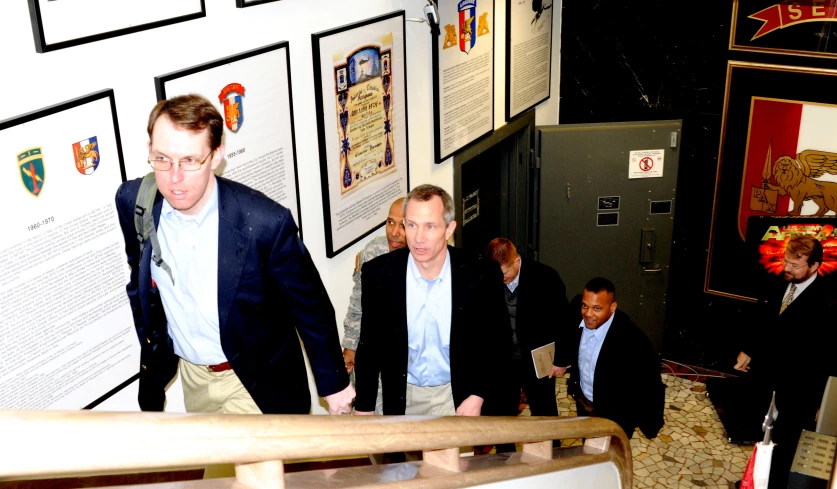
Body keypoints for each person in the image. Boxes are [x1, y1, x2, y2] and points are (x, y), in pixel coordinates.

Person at [115, 94, 354, 416]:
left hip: (254, 377)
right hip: (193, 375)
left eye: (189, 161)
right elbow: (139, 280)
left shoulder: (265, 223)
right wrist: (154, 341)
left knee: (241, 465)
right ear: (149, 151)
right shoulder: (133, 201)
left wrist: (333, 383)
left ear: (216, 156)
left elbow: (309, 307)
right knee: (220, 459)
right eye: (162, 159)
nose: (174, 178)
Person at [353, 184, 510, 416]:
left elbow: (498, 342)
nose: (418, 238)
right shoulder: (379, 274)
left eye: (430, 226)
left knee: (452, 455)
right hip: (401, 396)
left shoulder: (480, 275)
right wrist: (364, 407)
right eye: (412, 225)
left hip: (455, 396)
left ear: (449, 229)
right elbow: (369, 344)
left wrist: (477, 395)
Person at [733, 234, 837, 489]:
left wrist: (821, 402)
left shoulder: (827, 303)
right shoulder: (780, 281)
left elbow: (828, 356)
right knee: (763, 433)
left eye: (794, 265)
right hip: (767, 377)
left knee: (786, 442)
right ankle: (757, 480)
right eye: (785, 262)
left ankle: (773, 484)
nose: (787, 269)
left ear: (814, 266)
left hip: (799, 388)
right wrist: (749, 349)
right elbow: (765, 321)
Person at [566, 277, 664, 440]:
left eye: (597, 308)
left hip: (614, 413)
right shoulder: (577, 309)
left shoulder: (633, 341)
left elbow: (650, 384)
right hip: (584, 399)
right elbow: (566, 332)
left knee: (609, 457)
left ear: (613, 307)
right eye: (585, 305)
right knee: (587, 445)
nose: (588, 314)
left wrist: (650, 423)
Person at [485, 238, 570, 418]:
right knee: (503, 412)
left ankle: (551, 447)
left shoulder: (546, 277)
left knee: (544, 411)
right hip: (504, 360)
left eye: (505, 273)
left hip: (537, 359)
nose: (501, 279)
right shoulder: (488, 277)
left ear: (516, 261)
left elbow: (563, 320)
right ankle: (505, 447)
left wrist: (561, 360)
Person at [342, 197, 405, 415]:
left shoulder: (423, 256)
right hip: (376, 345)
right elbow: (358, 300)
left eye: (403, 225)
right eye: (390, 222)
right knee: (374, 414)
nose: (394, 232)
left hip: (408, 351)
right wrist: (350, 345)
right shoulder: (373, 252)